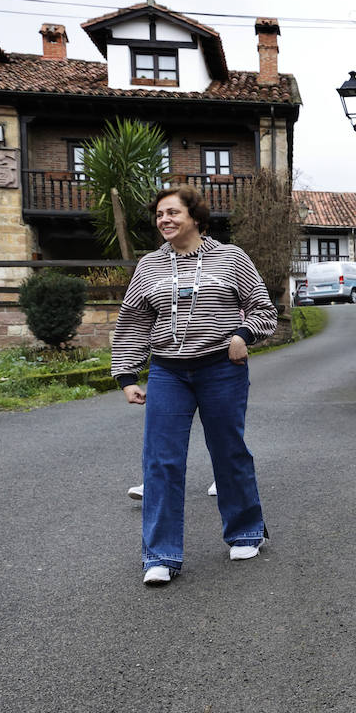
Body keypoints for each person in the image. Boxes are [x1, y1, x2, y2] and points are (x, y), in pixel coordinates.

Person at [112, 185, 276, 587]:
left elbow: (263, 308)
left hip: (221, 367)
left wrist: (244, 334)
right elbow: (133, 322)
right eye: (159, 215)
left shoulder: (230, 257)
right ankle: (160, 555)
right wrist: (127, 375)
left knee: (228, 449)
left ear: (195, 217)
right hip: (168, 372)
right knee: (161, 460)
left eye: (172, 213)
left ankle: (244, 532)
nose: (164, 220)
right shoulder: (149, 266)